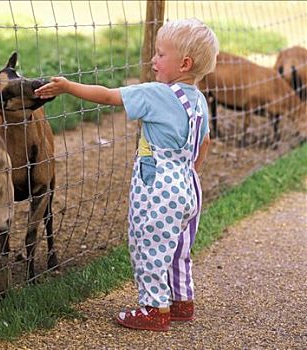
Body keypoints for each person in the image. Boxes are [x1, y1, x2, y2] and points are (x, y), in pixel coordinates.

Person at [35, 18, 219, 331]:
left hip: (159, 188)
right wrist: (188, 175)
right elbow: (205, 142)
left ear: (184, 63)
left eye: (161, 54)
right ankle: (182, 302)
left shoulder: (156, 94)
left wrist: (68, 87)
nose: (153, 60)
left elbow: (108, 96)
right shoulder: (199, 100)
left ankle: (154, 309)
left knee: (148, 246)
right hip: (188, 184)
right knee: (178, 249)